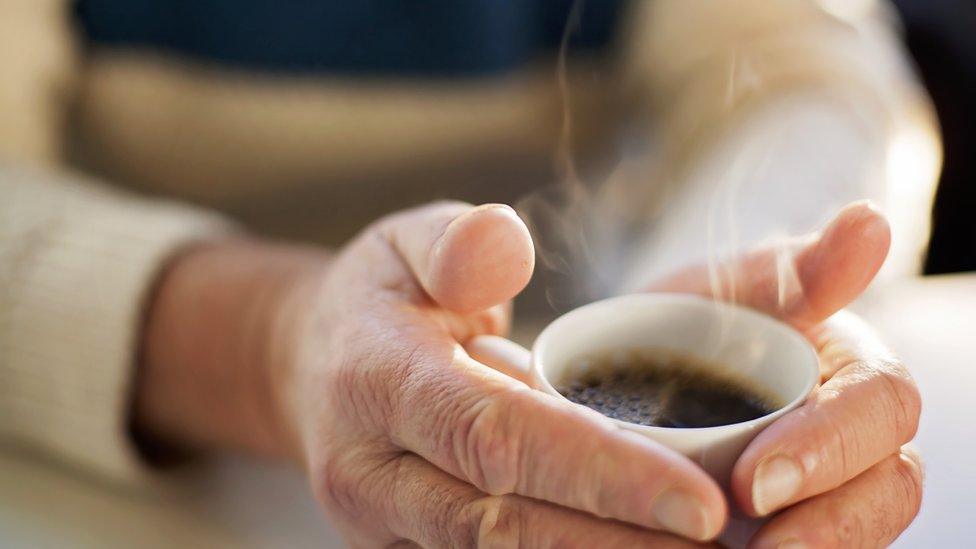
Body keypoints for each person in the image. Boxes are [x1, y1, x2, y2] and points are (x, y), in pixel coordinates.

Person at [0, 1, 933, 547]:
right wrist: (272, 341)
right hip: (117, 468)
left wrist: (739, 296)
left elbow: (809, 74)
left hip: (556, 351)